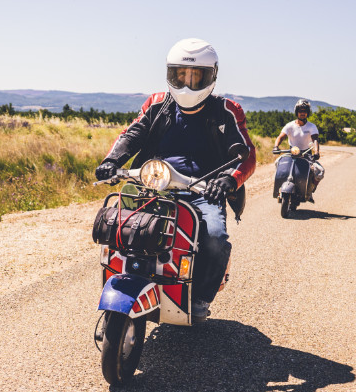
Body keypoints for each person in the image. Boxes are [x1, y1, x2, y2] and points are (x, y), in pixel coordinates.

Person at [94, 38, 257, 322]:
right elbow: (132, 135)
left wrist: (229, 181)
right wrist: (111, 161)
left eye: (196, 76)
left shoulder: (227, 110)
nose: (188, 82)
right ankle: (125, 281)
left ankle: (201, 298)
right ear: (171, 73)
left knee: (216, 238)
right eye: (181, 74)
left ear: (211, 76)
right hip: (152, 183)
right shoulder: (157, 104)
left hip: (204, 189)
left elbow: (246, 153)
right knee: (118, 224)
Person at [273, 99, 324, 201]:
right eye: (300, 111)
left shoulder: (311, 126)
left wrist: (316, 152)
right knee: (277, 163)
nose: (302, 113)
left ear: (307, 113)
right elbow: (280, 137)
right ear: (296, 112)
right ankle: (280, 189)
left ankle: (309, 191)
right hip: (291, 153)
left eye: (305, 111)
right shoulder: (290, 125)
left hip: (307, 154)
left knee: (320, 171)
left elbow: (315, 140)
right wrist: (276, 146)